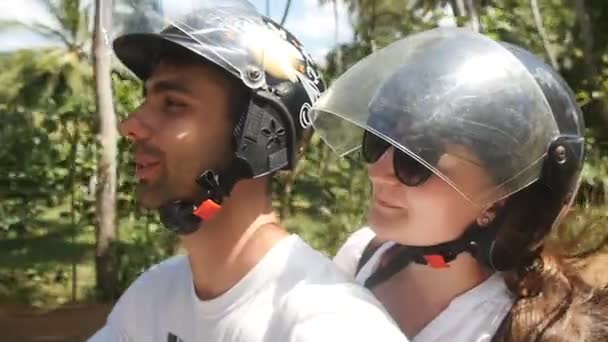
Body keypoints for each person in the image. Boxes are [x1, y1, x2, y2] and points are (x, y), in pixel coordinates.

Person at [88, 1, 408, 341]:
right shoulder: (150, 298)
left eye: (173, 104)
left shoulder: (332, 324)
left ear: (258, 137)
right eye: (146, 100)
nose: (130, 125)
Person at [311, 27, 608, 341]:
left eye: (418, 158)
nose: (376, 170)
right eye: (378, 142)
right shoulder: (362, 256)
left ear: (497, 202)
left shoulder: (530, 332)